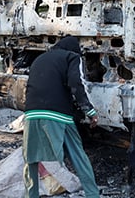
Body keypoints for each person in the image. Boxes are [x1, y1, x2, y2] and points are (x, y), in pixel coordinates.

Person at [22, 36, 100, 198]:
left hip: (31, 112)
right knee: (78, 156)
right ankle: (93, 194)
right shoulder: (72, 57)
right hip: (59, 114)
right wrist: (90, 112)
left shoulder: (40, 59)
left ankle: (32, 195)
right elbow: (75, 84)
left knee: (31, 158)